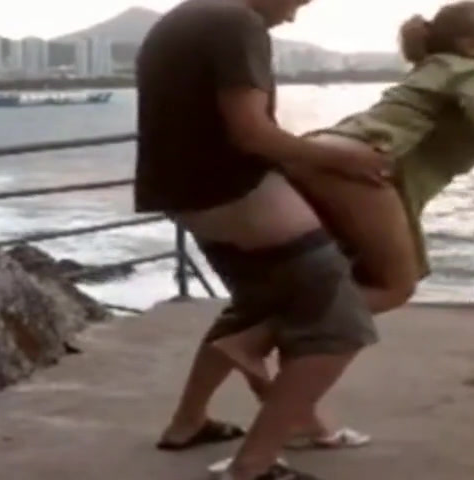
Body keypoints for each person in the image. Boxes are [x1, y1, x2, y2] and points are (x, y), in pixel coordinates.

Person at [212, 0, 474, 399]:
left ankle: (263, 403)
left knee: (326, 285)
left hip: (320, 155)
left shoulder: (433, 69)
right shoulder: (472, 70)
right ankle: (254, 341)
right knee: (396, 286)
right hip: (360, 169)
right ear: (469, 45)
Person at [134, 0, 392, 478]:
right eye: (297, 1)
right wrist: (342, 159)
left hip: (182, 196)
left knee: (253, 311)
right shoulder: (239, 23)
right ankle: (253, 465)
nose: (292, 15)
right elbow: (251, 132)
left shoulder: (185, 15)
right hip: (238, 195)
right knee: (338, 326)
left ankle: (187, 423)